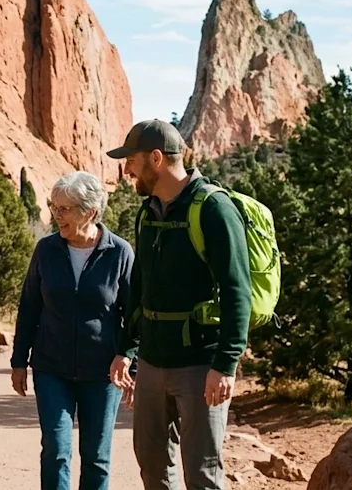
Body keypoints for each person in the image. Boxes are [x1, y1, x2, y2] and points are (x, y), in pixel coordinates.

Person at [106, 120, 252, 490]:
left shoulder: (214, 209)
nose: (126, 170)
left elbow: (238, 290)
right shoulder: (147, 212)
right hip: (153, 364)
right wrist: (128, 349)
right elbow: (140, 287)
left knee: (202, 475)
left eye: (131, 160)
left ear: (156, 158)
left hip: (200, 366)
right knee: (153, 469)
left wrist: (226, 363)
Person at [10, 172, 134, 490]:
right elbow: (29, 307)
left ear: (89, 211)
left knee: (96, 457)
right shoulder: (46, 250)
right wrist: (18, 360)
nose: (56, 215)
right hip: (52, 368)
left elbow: (135, 314)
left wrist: (129, 357)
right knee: (55, 450)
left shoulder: (120, 253)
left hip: (103, 373)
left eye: (64, 209)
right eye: (54, 207)